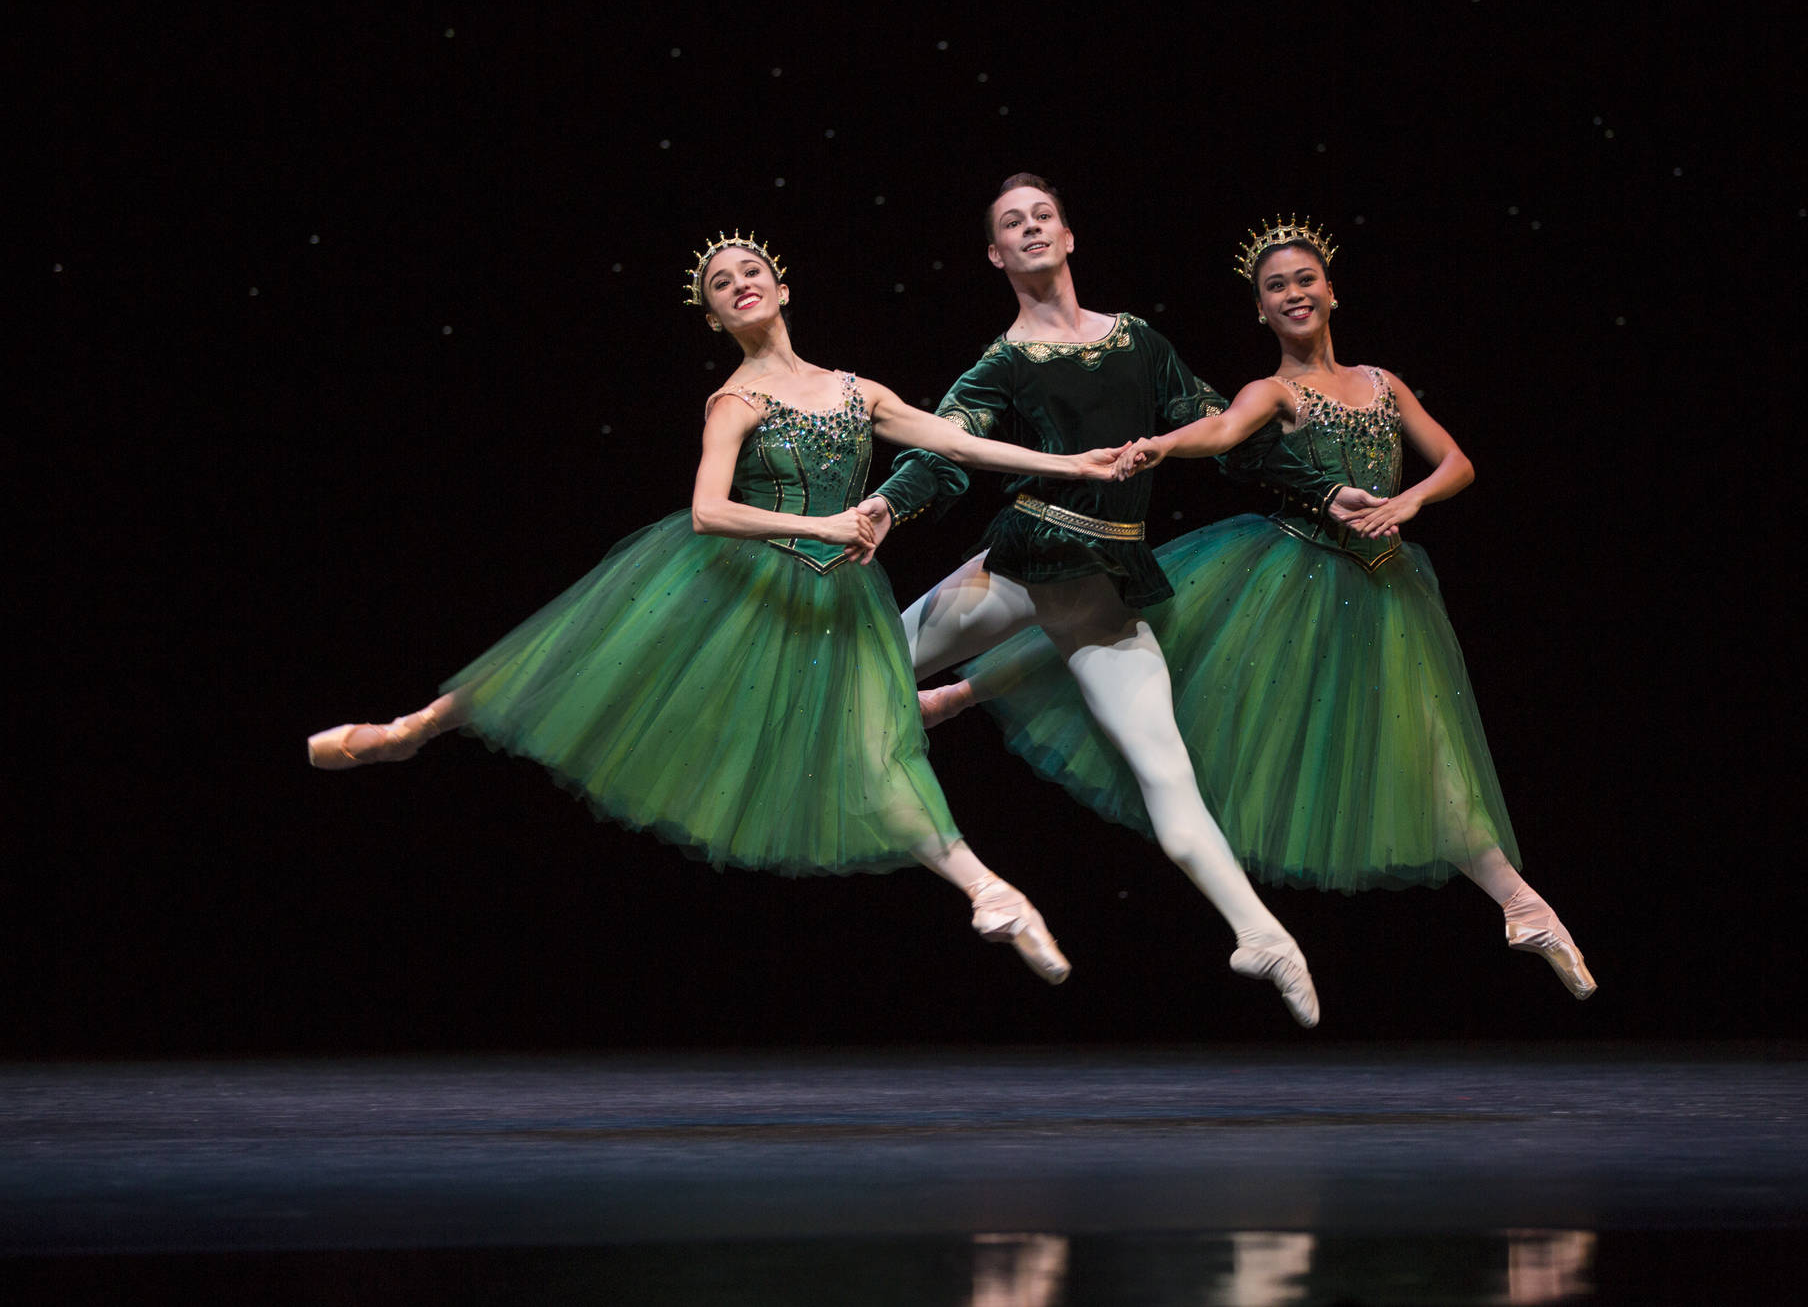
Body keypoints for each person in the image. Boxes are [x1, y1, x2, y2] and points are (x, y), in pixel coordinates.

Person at [305, 232, 1137, 986]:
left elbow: (954, 441)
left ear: (781, 286)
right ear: (712, 317)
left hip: (829, 598)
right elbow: (708, 508)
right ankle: (414, 729)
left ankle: (991, 892)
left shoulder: (855, 389)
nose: (738, 283)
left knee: (873, 754)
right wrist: (819, 522)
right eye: (719, 283)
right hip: (731, 581)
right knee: (583, 669)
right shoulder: (735, 399)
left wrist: (1073, 467)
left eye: (751, 271)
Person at [935, 219, 1596, 999]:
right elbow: (1220, 429)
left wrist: (1408, 502)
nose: (1293, 294)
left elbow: (1457, 461)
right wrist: (1163, 445)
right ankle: (962, 690)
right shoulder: (1272, 390)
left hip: (1384, 593)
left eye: (1304, 280)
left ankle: (1521, 905)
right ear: (1259, 310)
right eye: (1275, 287)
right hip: (1287, 576)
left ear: (1331, 289)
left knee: (1426, 754)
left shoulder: (1382, 382)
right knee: (1147, 640)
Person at [855, 178, 1388, 1028]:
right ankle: (983, 889)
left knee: (1168, 773)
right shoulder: (1004, 363)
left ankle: (1265, 937)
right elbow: (948, 448)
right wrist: (888, 503)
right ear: (996, 255)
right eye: (1010, 226)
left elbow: (1226, 435)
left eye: (1041, 217)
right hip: (1021, 566)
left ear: (1068, 235)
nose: (1030, 230)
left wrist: (1326, 495)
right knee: (859, 675)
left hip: (1104, 592)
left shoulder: (1139, 342)